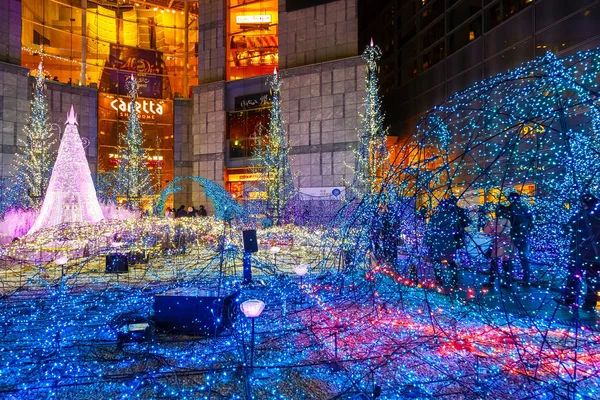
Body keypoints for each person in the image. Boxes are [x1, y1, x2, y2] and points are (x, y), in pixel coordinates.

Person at [558, 193, 600, 311]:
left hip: (579, 252)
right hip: (596, 255)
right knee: (593, 280)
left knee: (573, 277)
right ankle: (590, 304)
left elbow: (567, 229)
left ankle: (570, 300)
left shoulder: (582, 215)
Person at [425, 198, 467, 290]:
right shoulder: (452, 217)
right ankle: (454, 281)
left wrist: (427, 242)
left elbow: (429, 231)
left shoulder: (434, 217)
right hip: (449, 242)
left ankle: (439, 280)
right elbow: (456, 230)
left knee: (436, 261)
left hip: (437, 243)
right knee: (451, 262)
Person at [503, 193, 534, 286]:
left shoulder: (510, 209)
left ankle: (509, 280)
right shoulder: (525, 208)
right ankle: (526, 280)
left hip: (513, 236)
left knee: (509, 258)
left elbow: (506, 223)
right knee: (524, 258)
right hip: (524, 236)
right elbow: (531, 222)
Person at [483, 207, 514, 288]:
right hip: (508, 244)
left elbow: (486, 231)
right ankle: (508, 282)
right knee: (506, 264)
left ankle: (491, 282)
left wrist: (487, 222)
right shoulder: (508, 221)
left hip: (498, 244)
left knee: (494, 264)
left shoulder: (494, 221)